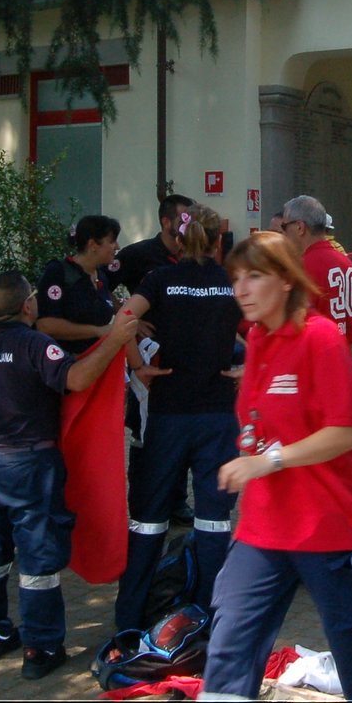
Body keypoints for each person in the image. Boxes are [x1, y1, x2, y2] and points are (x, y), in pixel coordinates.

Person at [192, 232, 352, 703]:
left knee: (351, 640)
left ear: (286, 281)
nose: (241, 287)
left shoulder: (321, 338)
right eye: (236, 277)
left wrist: (270, 459)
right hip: (263, 528)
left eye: (255, 275)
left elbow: (348, 430)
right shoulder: (257, 339)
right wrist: (254, 455)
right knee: (231, 636)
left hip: (327, 526)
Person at [0, 271, 137, 679]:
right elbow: (75, 378)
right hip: (31, 466)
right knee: (38, 557)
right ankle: (40, 649)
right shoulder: (35, 345)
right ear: (27, 305)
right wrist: (113, 340)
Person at [112, 204, 244, 632]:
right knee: (213, 521)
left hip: (168, 413)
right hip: (217, 415)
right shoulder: (230, 282)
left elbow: (123, 318)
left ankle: (129, 620)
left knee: (148, 519)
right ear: (218, 240)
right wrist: (249, 369)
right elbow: (269, 329)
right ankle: (210, 619)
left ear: (180, 239)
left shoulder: (160, 279)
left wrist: (137, 366)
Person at [280, 194, 352, 353]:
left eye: (284, 227)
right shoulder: (348, 264)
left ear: (300, 227)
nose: (282, 234)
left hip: (314, 364)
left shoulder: (302, 268)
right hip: (343, 363)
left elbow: (293, 327)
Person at [36, 215, 121, 355]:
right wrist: (97, 331)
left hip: (99, 362)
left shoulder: (101, 276)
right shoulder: (58, 272)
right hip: (66, 366)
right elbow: (46, 325)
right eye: (112, 241)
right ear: (93, 245)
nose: (117, 246)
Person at [111, 193, 193, 295]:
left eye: (193, 221)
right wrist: (123, 309)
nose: (190, 226)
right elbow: (101, 285)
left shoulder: (194, 255)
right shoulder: (138, 253)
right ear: (166, 222)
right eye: (184, 220)